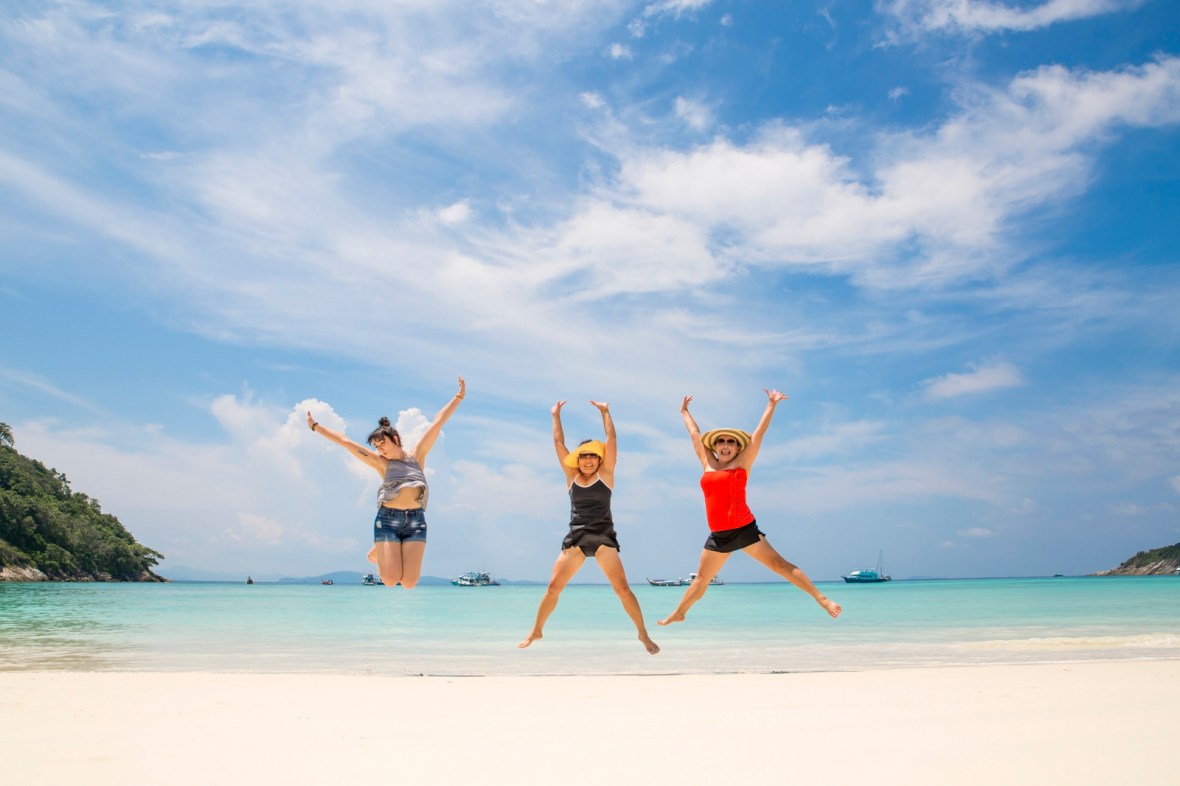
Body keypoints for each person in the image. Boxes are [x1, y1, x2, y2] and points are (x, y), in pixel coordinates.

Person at [659, 389, 842, 625]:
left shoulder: (742, 463)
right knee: (701, 579)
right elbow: (695, 434)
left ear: (738, 448)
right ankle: (680, 612)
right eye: (721, 441)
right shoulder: (707, 462)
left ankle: (822, 599)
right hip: (718, 535)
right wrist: (684, 411)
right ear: (715, 446)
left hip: (743, 529)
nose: (726, 445)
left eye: (731, 442)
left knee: (779, 565)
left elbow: (759, 433)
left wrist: (771, 404)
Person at [519, 400, 660, 654]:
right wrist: (555, 415)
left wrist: (606, 412)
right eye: (583, 456)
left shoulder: (606, 475)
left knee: (622, 589)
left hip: (604, 538)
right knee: (553, 588)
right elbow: (558, 443)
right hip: (577, 538)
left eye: (593, 456)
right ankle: (537, 630)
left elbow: (612, 439)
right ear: (578, 459)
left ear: (599, 459)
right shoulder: (571, 477)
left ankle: (643, 633)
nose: (588, 460)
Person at [307, 377, 465, 589]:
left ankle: (381, 547)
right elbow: (346, 443)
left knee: (409, 583)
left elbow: (437, 423)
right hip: (388, 520)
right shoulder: (381, 463)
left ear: (395, 439)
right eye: (376, 446)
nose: (380, 449)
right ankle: (381, 546)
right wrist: (316, 427)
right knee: (390, 580)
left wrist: (458, 397)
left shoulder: (417, 456)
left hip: (416, 521)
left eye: (382, 444)